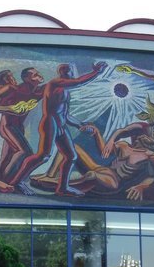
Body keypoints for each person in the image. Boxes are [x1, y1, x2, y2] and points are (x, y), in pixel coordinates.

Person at [9, 62, 107, 195]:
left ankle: (62, 188)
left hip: (61, 125)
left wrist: (80, 125)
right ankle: (16, 182)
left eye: (69, 71)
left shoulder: (65, 91)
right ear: (61, 73)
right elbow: (79, 82)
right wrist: (96, 72)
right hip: (50, 123)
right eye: (66, 72)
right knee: (43, 156)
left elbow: (65, 115)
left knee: (71, 156)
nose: (69, 74)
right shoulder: (56, 83)